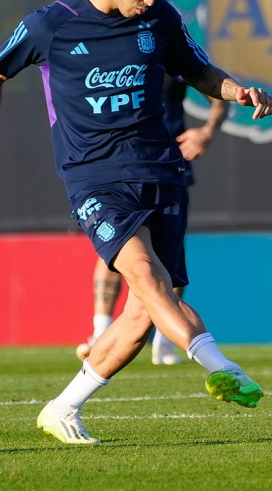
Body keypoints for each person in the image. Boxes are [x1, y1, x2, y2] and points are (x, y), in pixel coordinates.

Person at [0, 0, 272, 445]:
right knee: (142, 272)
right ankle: (222, 367)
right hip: (94, 176)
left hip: (162, 169)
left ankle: (63, 408)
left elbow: (200, 72)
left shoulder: (162, 19)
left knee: (143, 312)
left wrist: (239, 91)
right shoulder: (50, 25)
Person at [77, 79, 228, 366]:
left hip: (169, 163)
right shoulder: (112, 57)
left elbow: (217, 93)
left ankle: (165, 341)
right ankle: (100, 331)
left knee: (170, 252)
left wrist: (208, 131)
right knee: (114, 245)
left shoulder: (171, 51)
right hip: (120, 164)